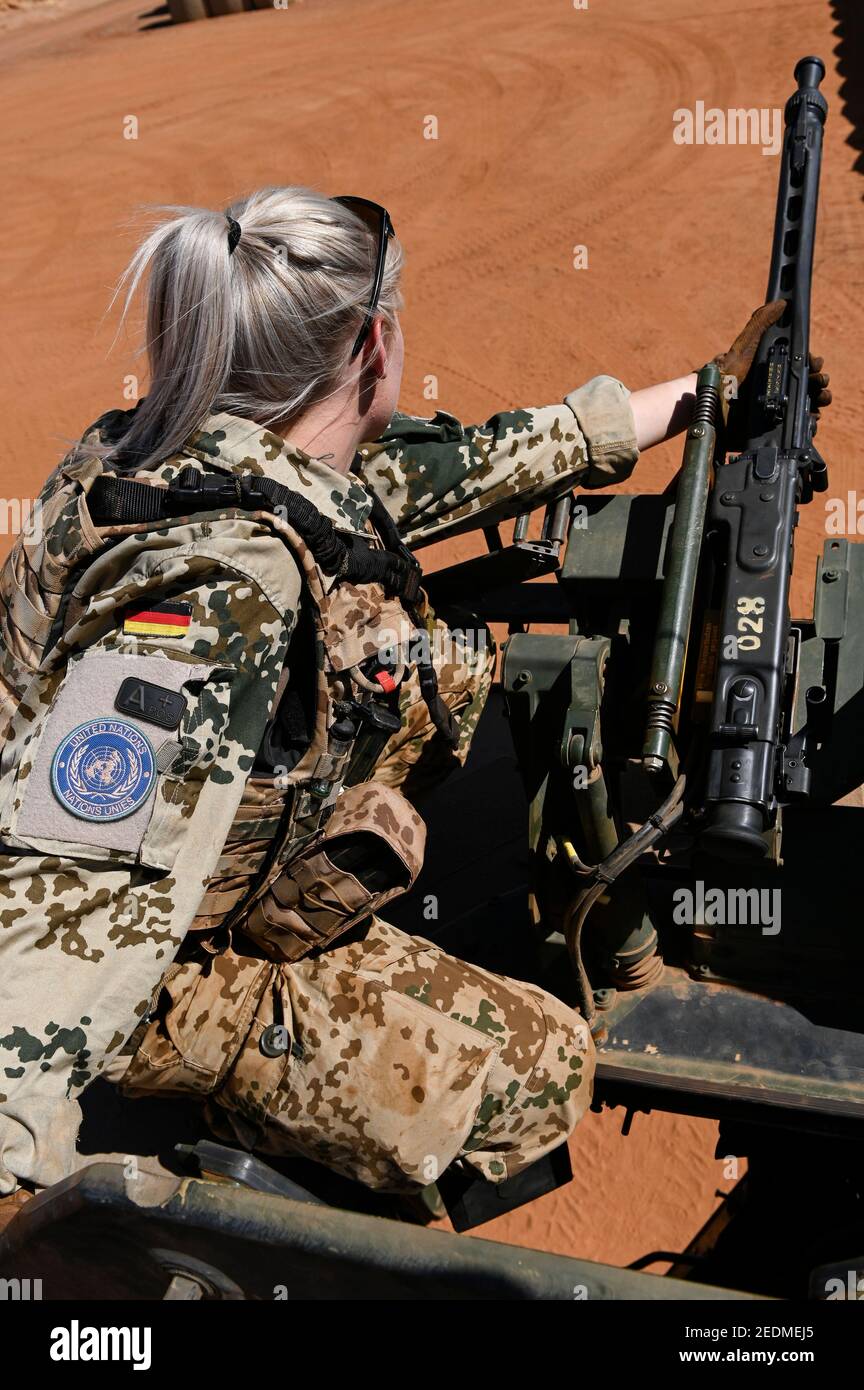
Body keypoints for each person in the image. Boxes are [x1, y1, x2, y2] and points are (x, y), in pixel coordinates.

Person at [0, 188, 830, 1220]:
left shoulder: (189, 449)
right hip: (168, 970)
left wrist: (698, 398)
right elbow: (70, 902)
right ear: (373, 345)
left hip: (220, 865)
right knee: (537, 1070)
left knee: (458, 682)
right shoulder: (221, 598)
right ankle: (324, 1234)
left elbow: (455, 468)